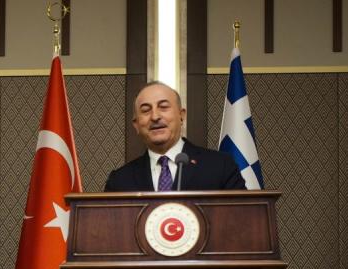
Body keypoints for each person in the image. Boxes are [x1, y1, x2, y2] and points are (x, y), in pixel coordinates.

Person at [105, 81, 246, 191]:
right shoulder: (120, 181)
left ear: (181, 115)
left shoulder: (220, 166)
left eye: (163, 107)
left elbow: (244, 219)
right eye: (146, 110)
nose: (155, 116)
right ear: (136, 125)